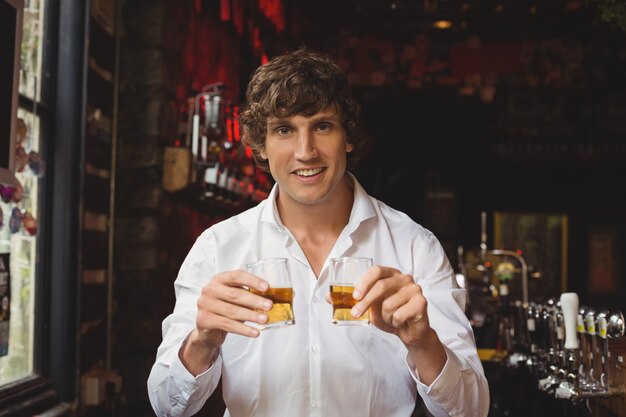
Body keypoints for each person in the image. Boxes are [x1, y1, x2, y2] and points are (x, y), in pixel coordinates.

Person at [148, 49, 489, 417]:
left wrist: (424, 344)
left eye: (322, 126)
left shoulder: (413, 247)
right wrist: (202, 341)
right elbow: (167, 407)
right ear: (260, 145)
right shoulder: (218, 248)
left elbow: (472, 410)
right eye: (284, 129)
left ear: (349, 136)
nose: (305, 151)